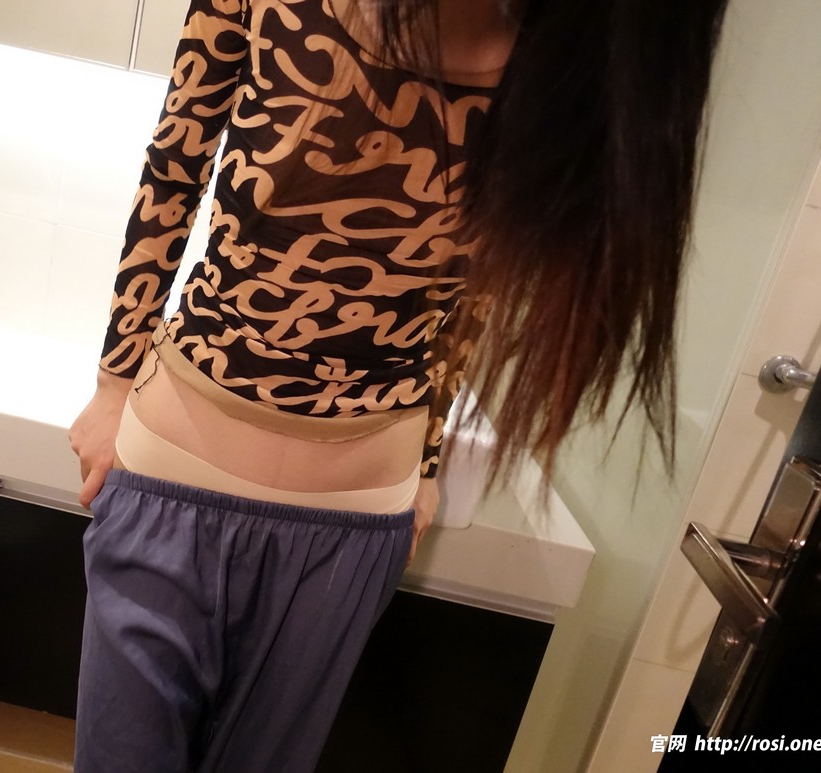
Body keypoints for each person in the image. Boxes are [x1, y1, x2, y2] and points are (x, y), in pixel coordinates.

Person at [68, 0, 728, 770]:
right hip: (173, 466)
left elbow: (476, 289)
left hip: (358, 518)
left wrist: (430, 459)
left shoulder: (565, 63)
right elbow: (174, 168)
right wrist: (113, 380)